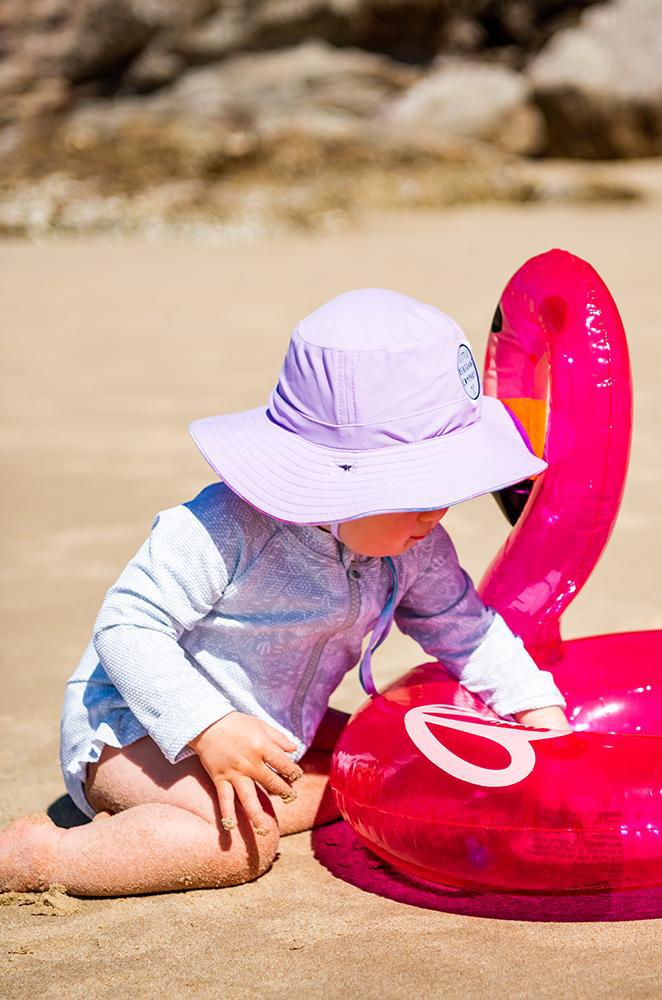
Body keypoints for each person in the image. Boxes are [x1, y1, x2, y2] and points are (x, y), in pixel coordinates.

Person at [0, 288, 571, 897]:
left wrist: (540, 714)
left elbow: (467, 628)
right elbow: (126, 628)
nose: (438, 512)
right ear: (339, 479)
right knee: (240, 846)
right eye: (419, 490)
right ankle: (42, 856)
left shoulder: (417, 543)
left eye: (449, 488)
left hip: (271, 722)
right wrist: (207, 728)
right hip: (133, 727)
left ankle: (156, 823)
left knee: (386, 765)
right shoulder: (225, 526)